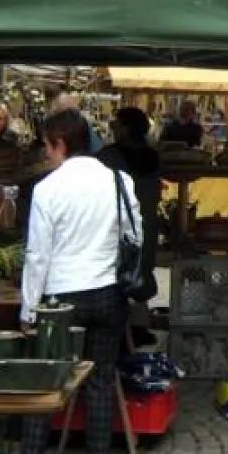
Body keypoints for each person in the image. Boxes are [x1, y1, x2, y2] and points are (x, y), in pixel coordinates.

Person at [10, 110, 142, 454]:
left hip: (61, 294)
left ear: (60, 144)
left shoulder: (48, 188)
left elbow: (38, 254)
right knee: (100, 377)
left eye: (47, 146)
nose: (46, 153)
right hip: (107, 290)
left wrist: (28, 309)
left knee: (49, 377)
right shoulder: (119, 180)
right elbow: (135, 234)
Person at [97, 106, 161, 307]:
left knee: (117, 279)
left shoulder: (109, 157)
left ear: (126, 128)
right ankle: (140, 319)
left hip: (118, 227)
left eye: (116, 124)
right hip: (147, 224)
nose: (113, 128)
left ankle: (124, 321)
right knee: (141, 277)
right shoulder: (154, 156)